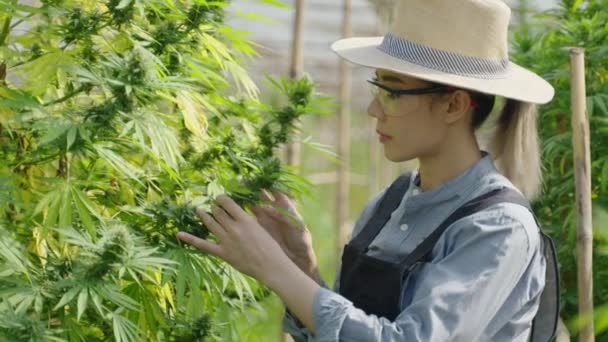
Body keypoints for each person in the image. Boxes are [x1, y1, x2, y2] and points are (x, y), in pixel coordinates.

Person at [177, 0, 558, 341]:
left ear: (453, 105)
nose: (374, 110)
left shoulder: (498, 228)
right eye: (378, 90)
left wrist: (276, 270)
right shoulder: (388, 204)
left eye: (393, 92)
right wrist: (300, 265)